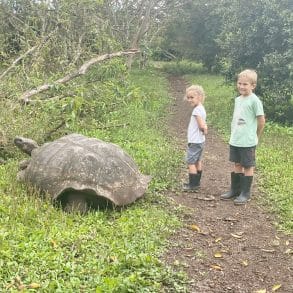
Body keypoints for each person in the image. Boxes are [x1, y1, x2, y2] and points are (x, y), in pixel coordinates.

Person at [221, 69, 265, 204]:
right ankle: (235, 190)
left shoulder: (255, 101)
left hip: (248, 141)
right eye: (239, 83)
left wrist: (256, 135)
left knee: (248, 166)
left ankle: (245, 193)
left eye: (245, 84)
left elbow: (261, 120)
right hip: (236, 139)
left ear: (253, 85)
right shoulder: (238, 100)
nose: (241, 86)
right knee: (237, 163)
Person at [183, 85, 207, 192]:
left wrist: (204, 129)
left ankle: (193, 185)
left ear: (200, 97)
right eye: (188, 97)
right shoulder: (201, 108)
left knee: (191, 162)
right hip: (200, 141)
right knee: (198, 161)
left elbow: (201, 125)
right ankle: (196, 182)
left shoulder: (196, 111)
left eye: (192, 97)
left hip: (194, 141)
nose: (189, 100)